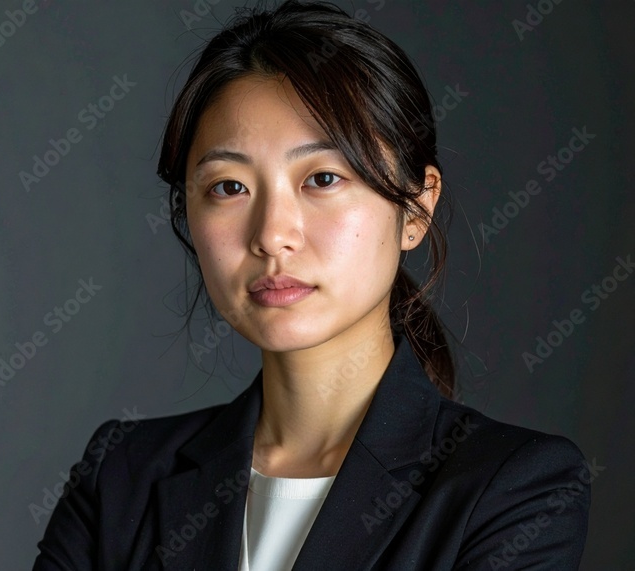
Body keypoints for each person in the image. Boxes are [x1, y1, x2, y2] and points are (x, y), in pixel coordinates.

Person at [32, 1, 591, 569]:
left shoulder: (513, 488)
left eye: (323, 178)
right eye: (228, 187)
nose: (272, 236)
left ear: (416, 209)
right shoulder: (120, 478)